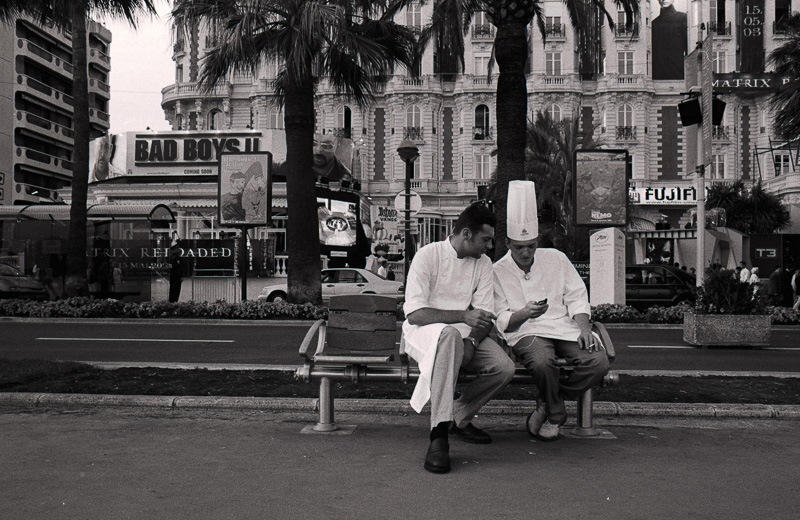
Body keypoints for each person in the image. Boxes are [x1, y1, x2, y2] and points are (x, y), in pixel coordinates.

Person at [402, 203, 515, 474]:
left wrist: (472, 342)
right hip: (423, 334)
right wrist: (462, 319)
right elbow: (415, 315)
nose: (489, 246)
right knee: (449, 335)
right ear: (466, 234)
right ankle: (438, 435)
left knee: (504, 367)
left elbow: (484, 313)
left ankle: (457, 416)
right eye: (485, 239)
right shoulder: (427, 256)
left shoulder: (484, 264)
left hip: (464, 337)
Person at [493, 181, 610, 442]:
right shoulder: (497, 271)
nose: (526, 253)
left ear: (537, 242)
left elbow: (577, 295)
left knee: (599, 362)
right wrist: (525, 313)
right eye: (518, 247)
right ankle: (556, 412)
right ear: (507, 243)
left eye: (531, 246)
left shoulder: (556, 258)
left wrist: (583, 327)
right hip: (526, 330)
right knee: (543, 363)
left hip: (564, 326)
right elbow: (501, 319)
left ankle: (548, 403)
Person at [652, 0, 688, 80]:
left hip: (678, 73)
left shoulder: (683, 18)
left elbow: (688, 48)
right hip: (658, 75)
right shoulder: (654, 24)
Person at [168, 238, 184, 303]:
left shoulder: (171, 257)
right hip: (176, 277)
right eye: (177, 248)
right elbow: (178, 268)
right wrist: (180, 276)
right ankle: (174, 302)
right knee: (176, 291)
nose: (178, 249)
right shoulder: (176, 258)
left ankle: (172, 302)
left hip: (172, 276)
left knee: (173, 290)